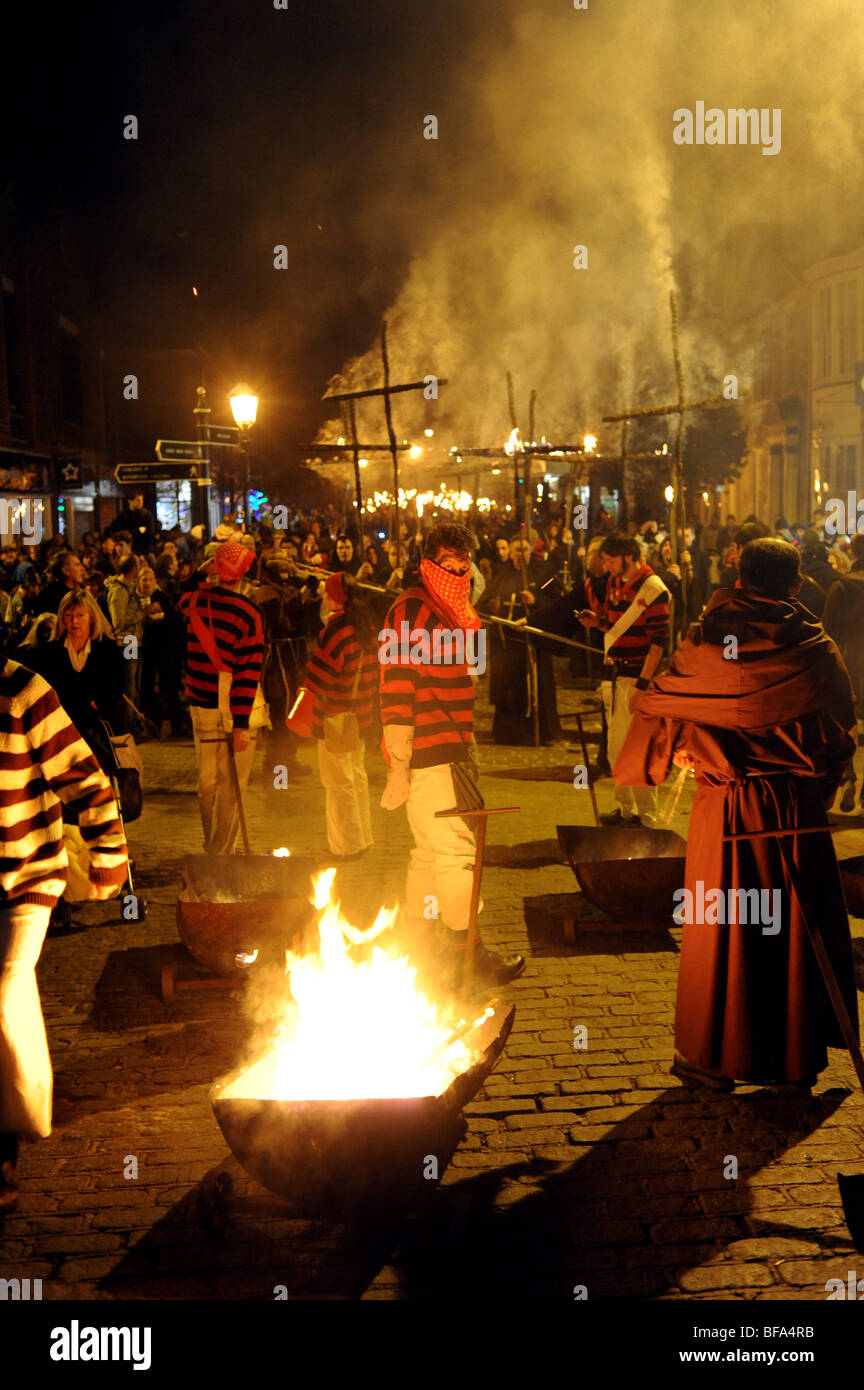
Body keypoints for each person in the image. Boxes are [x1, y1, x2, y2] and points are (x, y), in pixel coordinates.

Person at [614, 538, 859, 1090]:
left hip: (726, 807)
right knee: (791, 928)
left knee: (727, 926)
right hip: (794, 807)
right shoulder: (816, 649)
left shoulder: (706, 643)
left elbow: (657, 704)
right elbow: (841, 732)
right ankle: (791, 1062)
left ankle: (713, 1054)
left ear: (739, 578)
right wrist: (814, 780)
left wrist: (672, 734)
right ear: (796, 585)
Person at [0, 657, 128, 1208]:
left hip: (24, 876)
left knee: (4, 988)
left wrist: (107, 855)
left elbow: (84, 775)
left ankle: (8, 1137)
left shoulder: (22, 689)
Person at [379, 520, 524, 987]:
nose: (457, 571)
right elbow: (397, 686)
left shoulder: (452, 609)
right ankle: (470, 954)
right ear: (427, 563)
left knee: (427, 853)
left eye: (463, 564)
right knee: (456, 850)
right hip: (428, 750)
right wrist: (398, 762)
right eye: (447, 563)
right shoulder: (411, 610)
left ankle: (418, 948)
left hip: (454, 744)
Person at [577, 532, 669, 825]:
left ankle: (647, 816)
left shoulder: (654, 589)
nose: (604, 564)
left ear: (627, 557)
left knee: (638, 749)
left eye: (609, 559)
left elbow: (659, 642)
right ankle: (625, 809)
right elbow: (613, 624)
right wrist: (598, 622)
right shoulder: (615, 583)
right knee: (617, 749)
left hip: (636, 677)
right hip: (615, 674)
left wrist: (643, 685)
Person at [180, 540, 266, 855]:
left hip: (202, 707)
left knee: (206, 783)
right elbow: (248, 673)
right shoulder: (249, 614)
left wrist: (209, 567)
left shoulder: (193, 603)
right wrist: (241, 725)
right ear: (244, 574)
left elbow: (183, 587)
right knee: (233, 784)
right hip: (234, 709)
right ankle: (223, 846)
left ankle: (208, 839)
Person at [302, 572, 377, 857]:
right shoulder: (366, 628)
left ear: (334, 597)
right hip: (360, 717)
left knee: (338, 783)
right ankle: (363, 837)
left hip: (336, 716)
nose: (322, 596)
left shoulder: (335, 632)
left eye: (326, 593)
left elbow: (319, 679)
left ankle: (347, 844)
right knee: (357, 777)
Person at [478, 535, 562, 745]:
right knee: (510, 688)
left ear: (530, 552)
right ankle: (509, 732)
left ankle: (544, 731)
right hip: (508, 645)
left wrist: (536, 600)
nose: (520, 555)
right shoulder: (501, 574)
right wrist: (492, 605)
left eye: (524, 550)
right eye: (516, 550)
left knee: (538, 687)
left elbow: (557, 600)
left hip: (533, 643)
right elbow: (485, 601)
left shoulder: (544, 575)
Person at [39, 589, 124, 768]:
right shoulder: (51, 651)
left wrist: (100, 702)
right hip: (62, 727)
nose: (74, 621)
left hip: (98, 727)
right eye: (68, 615)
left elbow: (116, 684)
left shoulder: (107, 648)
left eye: (80, 615)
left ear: (91, 617)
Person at [823, 532, 864, 812]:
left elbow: (827, 628)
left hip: (849, 664)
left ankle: (848, 777)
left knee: (846, 723)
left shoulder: (842, 586)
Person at [39, 549, 85, 614]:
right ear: (66, 571)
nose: (82, 569)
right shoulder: (51, 597)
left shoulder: (79, 592)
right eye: (77, 565)